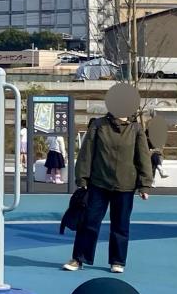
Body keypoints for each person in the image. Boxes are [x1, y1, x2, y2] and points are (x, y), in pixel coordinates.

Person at [63, 107, 152, 273]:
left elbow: (143, 157)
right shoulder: (98, 125)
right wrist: (82, 177)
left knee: (121, 225)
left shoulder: (136, 129)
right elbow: (86, 153)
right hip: (98, 183)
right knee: (89, 222)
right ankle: (79, 258)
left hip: (125, 186)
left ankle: (117, 261)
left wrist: (145, 184)